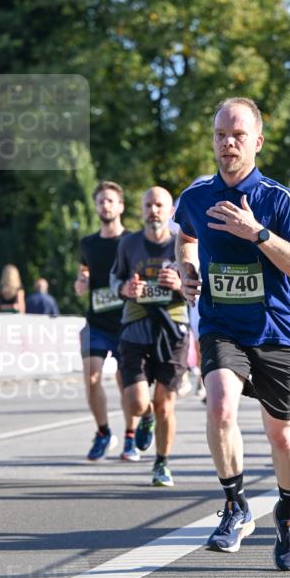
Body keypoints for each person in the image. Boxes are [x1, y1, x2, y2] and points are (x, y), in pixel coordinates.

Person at [174, 96, 290, 571]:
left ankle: (288, 511)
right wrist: (186, 267)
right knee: (220, 406)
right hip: (221, 327)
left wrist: (258, 233)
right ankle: (235, 505)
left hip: (274, 331)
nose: (227, 143)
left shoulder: (277, 199)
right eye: (220, 135)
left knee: (286, 440)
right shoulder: (196, 196)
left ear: (257, 141)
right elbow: (186, 234)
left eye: (237, 135)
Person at [110, 186, 189, 488]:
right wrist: (125, 290)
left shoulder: (184, 244)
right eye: (148, 205)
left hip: (174, 329)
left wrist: (179, 284)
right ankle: (144, 418)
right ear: (141, 210)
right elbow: (115, 278)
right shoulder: (128, 244)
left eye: (159, 205)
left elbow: (200, 285)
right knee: (136, 401)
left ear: (171, 212)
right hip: (136, 326)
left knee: (165, 403)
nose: (153, 210)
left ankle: (162, 463)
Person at [75, 181, 137, 462]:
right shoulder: (87, 243)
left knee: (127, 381)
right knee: (91, 378)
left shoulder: (132, 242)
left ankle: (130, 437)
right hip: (96, 321)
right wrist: (81, 282)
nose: (105, 205)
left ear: (120, 206)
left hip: (127, 321)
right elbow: (83, 272)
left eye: (110, 200)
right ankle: (103, 433)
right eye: (101, 201)